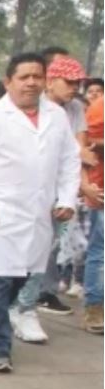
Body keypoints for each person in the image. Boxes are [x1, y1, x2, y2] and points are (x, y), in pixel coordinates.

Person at [0, 52, 79, 373]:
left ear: (45, 81)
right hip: (0, 214)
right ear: (8, 82)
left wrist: (67, 198)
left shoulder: (56, 116)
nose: (31, 83)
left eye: (37, 77)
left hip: (40, 214)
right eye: (23, 77)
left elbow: (69, 161)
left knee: (22, 276)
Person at [9, 56, 87, 341]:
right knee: (11, 256)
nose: (74, 89)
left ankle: (25, 308)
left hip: (54, 198)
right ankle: (2, 308)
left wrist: (70, 194)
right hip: (18, 195)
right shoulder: (15, 109)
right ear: (50, 81)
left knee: (45, 252)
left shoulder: (73, 110)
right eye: (69, 82)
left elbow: (74, 155)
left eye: (78, 83)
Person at [81, 96, 103, 333]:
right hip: (100, 187)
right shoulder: (100, 107)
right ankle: (95, 308)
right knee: (101, 251)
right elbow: (87, 142)